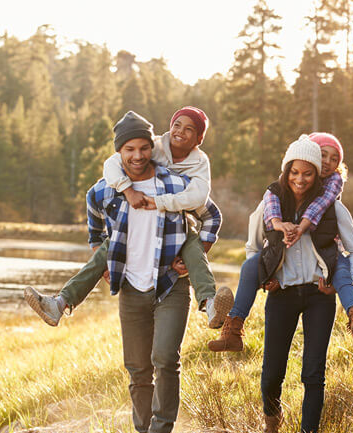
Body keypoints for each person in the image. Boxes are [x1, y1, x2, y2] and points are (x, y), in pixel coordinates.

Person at [66, 111, 203, 433]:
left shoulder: (172, 184)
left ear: (151, 149)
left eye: (144, 148)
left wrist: (199, 250)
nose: (138, 156)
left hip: (170, 284)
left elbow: (211, 213)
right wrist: (102, 254)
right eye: (130, 149)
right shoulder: (106, 189)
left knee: (165, 360)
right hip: (131, 288)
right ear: (119, 153)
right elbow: (93, 215)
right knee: (138, 369)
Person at [25, 107, 233, 330]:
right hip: (134, 224)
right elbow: (112, 164)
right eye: (177, 125)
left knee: (192, 245)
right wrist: (127, 190)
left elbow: (203, 201)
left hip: (177, 225)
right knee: (109, 247)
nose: (180, 131)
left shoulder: (197, 165)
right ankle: (59, 304)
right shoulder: (151, 147)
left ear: (199, 138)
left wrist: (194, 254)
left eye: (189, 129)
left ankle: (210, 304)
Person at [246, 135, 353, 433]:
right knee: (272, 370)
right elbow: (252, 247)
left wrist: (339, 282)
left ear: (317, 174)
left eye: (309, 172)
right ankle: (271, 427)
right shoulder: (271, 203)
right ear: (288, 171)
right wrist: (263, 277)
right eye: (295, 172)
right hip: (281, 294)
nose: (301, 178)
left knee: (313, 371)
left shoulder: (333, 209)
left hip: (318, 296)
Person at [207, 132, 353, 352]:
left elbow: (322, 210)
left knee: (341, 271)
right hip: (283, 279)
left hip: (326, 258)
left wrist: (301, 227)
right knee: (249, 267)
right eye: (323, 155)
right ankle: (233, 327)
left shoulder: (331, 193)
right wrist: (266, 274)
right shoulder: (276, 193)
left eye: (335, 159)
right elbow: (255, 240)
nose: (328, 163)